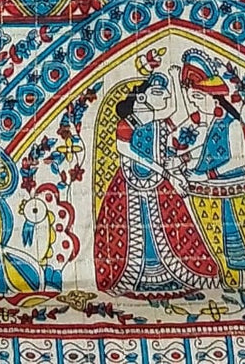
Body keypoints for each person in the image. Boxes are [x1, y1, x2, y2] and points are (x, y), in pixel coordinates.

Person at [93, 72, 220, 297]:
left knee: (168, 227)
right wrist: (163, 172)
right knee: (131, 229)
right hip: (129, 185)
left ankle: (169, 272)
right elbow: (127, 151)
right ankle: (136, 275)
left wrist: (175, 79)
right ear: (142, 98)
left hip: (158, 184)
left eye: (166, 93)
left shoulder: (159, 124)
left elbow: (176, 110)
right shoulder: (127, 124)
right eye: (159, 92)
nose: (166, 97)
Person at [178, 51, 245, 292]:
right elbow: (206, 152)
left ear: (215, 98)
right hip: (210, 189)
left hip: (237, 188)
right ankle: (229, 281)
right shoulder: (211, 123)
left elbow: (236, 161)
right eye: (193, 98)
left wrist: (205, 175)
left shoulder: (232, 124)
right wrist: (184, 159)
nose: (195, 104)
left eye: (198, 97)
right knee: (218, 241)